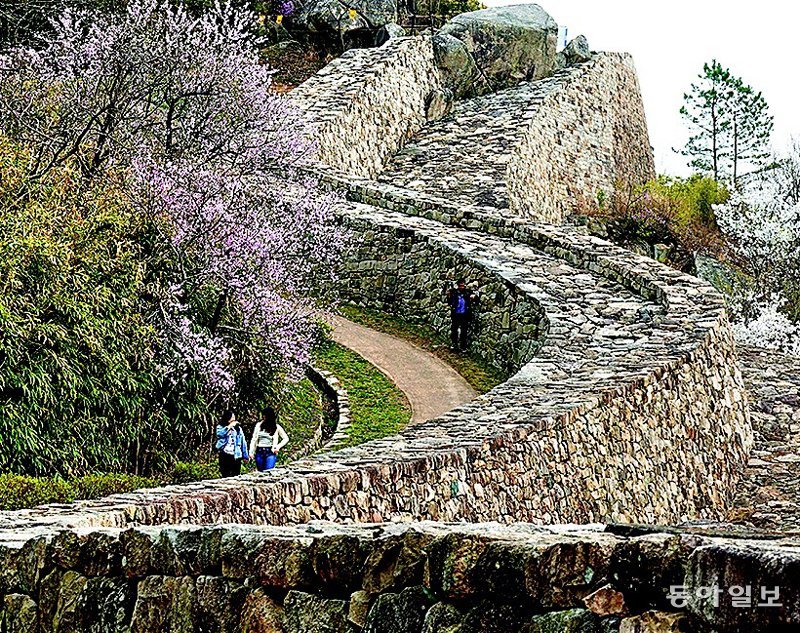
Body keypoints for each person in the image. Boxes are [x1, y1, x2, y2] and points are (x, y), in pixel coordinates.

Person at [249, 406, 289, 472]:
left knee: (268, 471)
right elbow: (254, 439)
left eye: (265, 416)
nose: (263, 417)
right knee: (260, 472)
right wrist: (251, 452)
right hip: (259, 451)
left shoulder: (276, 427)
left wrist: (277, 447)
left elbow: (285, 438)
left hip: (270, 452)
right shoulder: (259, 425)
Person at [446, 278, 478, 352]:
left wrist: (474, 297)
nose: (462, 287)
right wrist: (448, 296)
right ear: (458, 286)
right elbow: (449, 302)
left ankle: (463, 347)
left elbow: (476, 299)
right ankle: (454, 345)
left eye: (463, 285)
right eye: (460, 286)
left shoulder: (468, 292)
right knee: (454, 330)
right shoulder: (454, 292)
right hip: (456, 314)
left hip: (464, 315)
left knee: (464, 331)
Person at [215, 410, 249, 477]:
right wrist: (229, 427)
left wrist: (245, 456)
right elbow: (220, 434)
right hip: (225, 454)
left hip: (236, 454)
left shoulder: (238, 429)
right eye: (232, 419)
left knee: (235, 475)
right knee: (225, 474)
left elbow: (243, 442)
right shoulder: (220, 427)